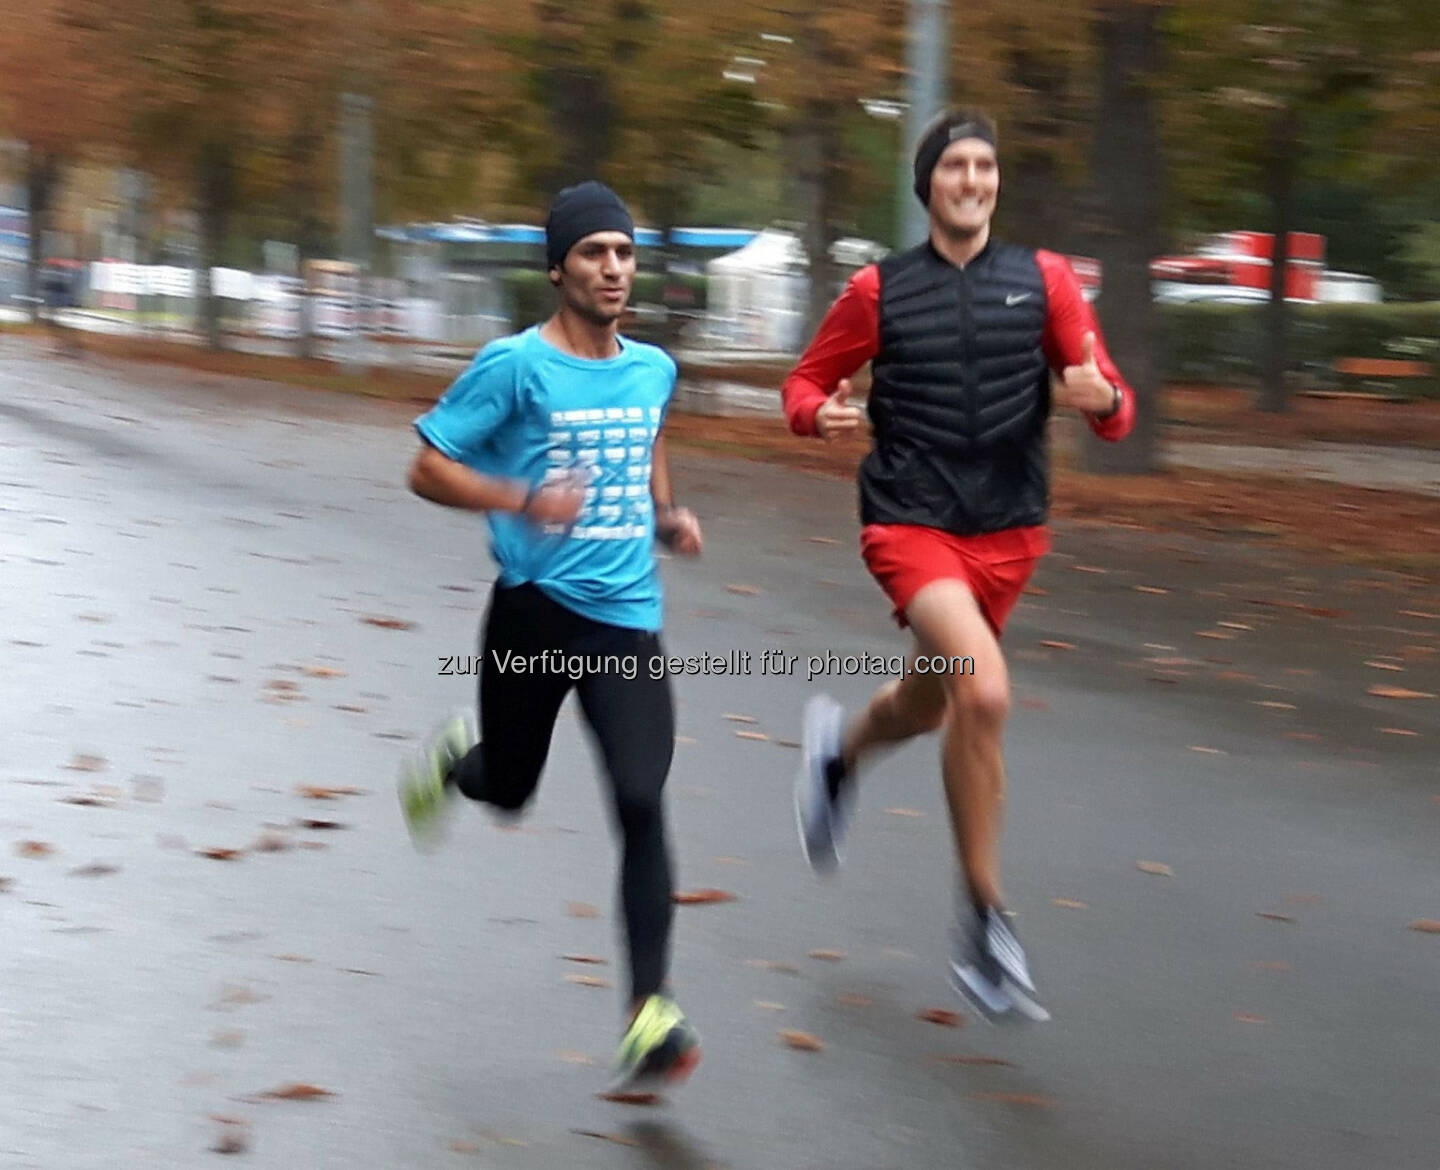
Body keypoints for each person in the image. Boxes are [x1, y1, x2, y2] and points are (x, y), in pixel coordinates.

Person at [782, 111, 1135, 1023]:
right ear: (928, 185)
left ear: (996, 183)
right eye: (954, 167)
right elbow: (803, 383)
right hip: (910, 521)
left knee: (932, 698)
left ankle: (837, 757)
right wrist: (818, 415)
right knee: (982, 693)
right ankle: (985, 920)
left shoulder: (1045, 279)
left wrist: (1104, 404)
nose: (972, 180)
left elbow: (1109, 396)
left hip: (1008, 530)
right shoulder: (879, 290)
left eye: (985, 165)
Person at [397, 180, 705, 1091]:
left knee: (643, 797)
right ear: (558, 267)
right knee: (510, 788)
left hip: (626, 624)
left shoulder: (653, 368)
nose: (613, 270)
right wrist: (522, 498)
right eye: (594, 254)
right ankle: (460, 762)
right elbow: (425, 467)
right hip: (533, 616)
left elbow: (645, 437)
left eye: (624, 253)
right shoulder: (514, 367)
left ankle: (650, 1011)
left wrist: (663, 514)